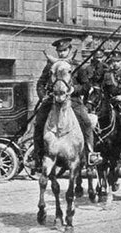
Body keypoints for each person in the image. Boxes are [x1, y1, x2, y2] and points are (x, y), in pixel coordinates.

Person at [34, 37, 100, 168]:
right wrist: (42, 97)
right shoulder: (50, 66)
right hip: (52, 100)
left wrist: (74, 89)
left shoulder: (77, 65)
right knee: (39, 122)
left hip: (73, 101)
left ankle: (90, 154)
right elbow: (40, 84)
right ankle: (37, 155)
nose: (61, 53)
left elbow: (86, 86)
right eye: (59, 51)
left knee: (86, 122)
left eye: (64, 50)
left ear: (69, 50)